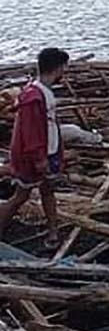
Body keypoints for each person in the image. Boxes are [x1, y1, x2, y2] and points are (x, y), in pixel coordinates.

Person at [0, 47, 69, 246]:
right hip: (33, 157)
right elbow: (31, 133)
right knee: (21, 196)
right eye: (64, 68)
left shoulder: (40, 91)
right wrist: (40, 159)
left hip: (48, 152)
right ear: (58, 69)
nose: (65, 72)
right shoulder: (34, 97)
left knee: (48, 190)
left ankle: (53, 232)